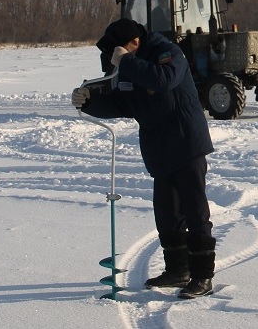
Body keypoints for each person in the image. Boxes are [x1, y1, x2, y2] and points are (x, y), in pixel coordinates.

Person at [71, 18, 216, 299]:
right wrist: (90, 102)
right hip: (159, 148)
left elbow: (163, 81)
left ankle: (202, 277)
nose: (114, 56)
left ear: (135, 41)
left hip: (187, 144)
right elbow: (123, 103)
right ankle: (178, 271)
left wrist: (126, 63)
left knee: (195, 211)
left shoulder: (167, 53)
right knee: (167, 213)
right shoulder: (129, 67)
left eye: (118, 50)